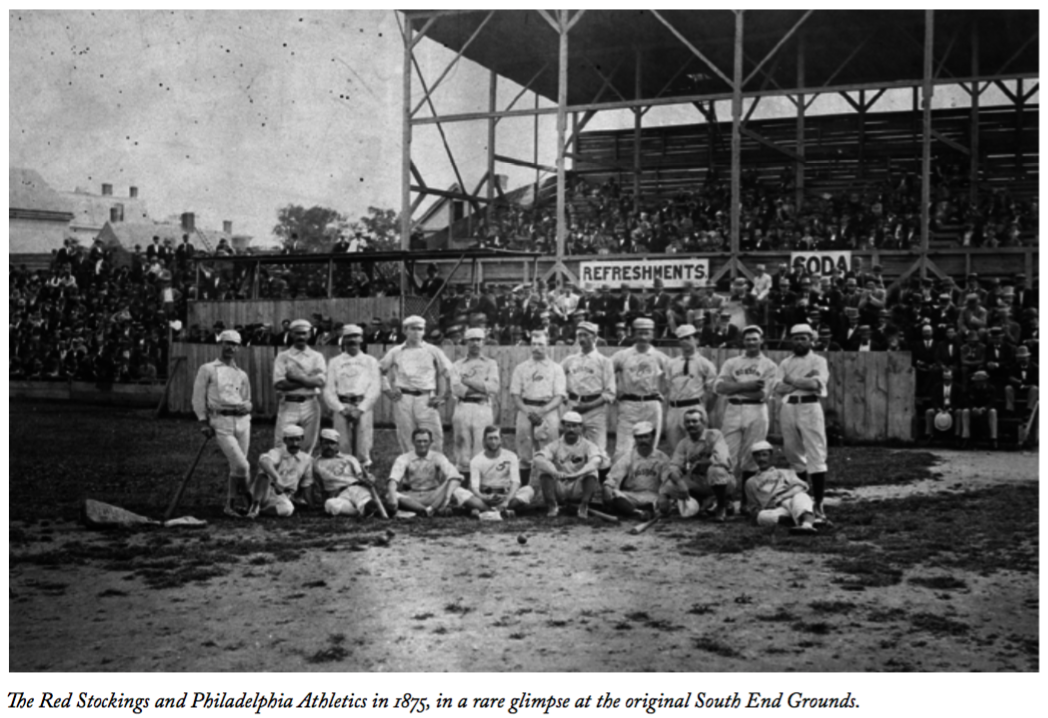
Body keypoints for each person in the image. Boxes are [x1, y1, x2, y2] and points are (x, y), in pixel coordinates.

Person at [191, 328, 252, 518]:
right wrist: (203, 421)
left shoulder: (241, 374)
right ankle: (252, 499)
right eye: (227, 343)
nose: (230, 348)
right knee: (242, 466)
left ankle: (230, 505)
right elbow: (197, 397)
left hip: (243, 422)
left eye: (234, 344)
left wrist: (248, 407)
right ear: (220, 344)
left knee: (236, 467)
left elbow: (247, 399)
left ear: (239, 348)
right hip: (221, 421)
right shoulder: (208, 369)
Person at [774, 324, 831, 520]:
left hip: (810, 407)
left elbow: (816, 384)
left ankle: (819, 503)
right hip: (789, 407)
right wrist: (799, 382)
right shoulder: (785, 363)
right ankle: (802, 501)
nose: (799, 342)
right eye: (796, 338)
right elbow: (779, 388)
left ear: (811, 340)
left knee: (816, 452)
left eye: (803, 338)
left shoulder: (818, 361)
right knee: (793, 452)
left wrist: (792, 380)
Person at [714, 325, 778, 499]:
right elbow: (719, 387)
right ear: (743, 341)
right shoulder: (731, 362)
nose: (751, 342)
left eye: (754, 339)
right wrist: (747, 385)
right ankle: (724, 499)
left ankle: (747, 499)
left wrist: (733, 387)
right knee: (726, 454)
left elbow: (761, 394)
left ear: (761, 341)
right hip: (733, 409)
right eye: (748, 339)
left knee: (753, 455)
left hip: (756, 410)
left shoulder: (769, 365)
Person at [379, 315, 453, 454]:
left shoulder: (433, 350)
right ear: (405, 330)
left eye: (420, 329)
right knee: (406, 437)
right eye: (413, 329)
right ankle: (411, 469)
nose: (417, 332)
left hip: (426, 399)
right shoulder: (396, 351)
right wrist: (387, 390)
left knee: (434, 436)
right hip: (403, 399)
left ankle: (433, 469)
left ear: (424, 332)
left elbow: (450, 373)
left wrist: (444, 396)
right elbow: (379, 370)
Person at [386, 428, 487, 517]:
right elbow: (393, 480)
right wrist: (392, 497)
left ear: (431, 442)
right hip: (413, 495)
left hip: (435, 495)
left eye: (425, 441)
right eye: (419, 441)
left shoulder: (437, 457)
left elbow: (455, 477)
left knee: (459, 490)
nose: (422, 444)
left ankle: (490, 510)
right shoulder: (404, 458)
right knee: (390, 495)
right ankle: (426, 511)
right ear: (413, 442)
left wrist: (446, 498)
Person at [509, 331, 566, 483]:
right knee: (524, 453)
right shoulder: (521, 368)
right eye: (534, 343)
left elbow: (559, 396)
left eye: (540, 344)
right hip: (526, 411)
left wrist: (542, 411)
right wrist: (528, 411)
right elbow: (515, 395)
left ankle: (549, 491)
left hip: (548, 411)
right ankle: (523, 489)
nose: (537, 347)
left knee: (549, 453)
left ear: (547, 345)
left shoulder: (556, 368)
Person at [323, 324, 381, 468]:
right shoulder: (335, 362)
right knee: (342, 443)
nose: (353, 340)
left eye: (356, 337)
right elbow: (329, 389)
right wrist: (341, 409)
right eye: (349, 337)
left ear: (361, 339)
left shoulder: (370, 361)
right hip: (342, 405)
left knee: (363, 443)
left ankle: (363, 472)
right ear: (343, 340)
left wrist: (360, 409)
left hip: (362, 406)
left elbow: (374, 388)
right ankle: (345, 472)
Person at [612, 317, 671, 460]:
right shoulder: (623, 355)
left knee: (649, 448)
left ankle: (645, 479)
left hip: (651, 404)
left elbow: (673, 378)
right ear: (633, 333)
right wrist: (615, 391)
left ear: (653, 334)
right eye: (640, 332)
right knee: (623, 450)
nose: (643, 337)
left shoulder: (660, 357)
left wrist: (662, 393)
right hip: (629, 404)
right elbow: (607, 374)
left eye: (647, 332)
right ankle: (621, 481)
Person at [664, 406, 735, 521]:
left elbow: (722, 458)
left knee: (716, 470)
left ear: (703, 422)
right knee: (669, 485)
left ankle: (721, 506)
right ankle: (703, 503)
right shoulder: (684, 443)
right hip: (698, 481)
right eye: (688, 422)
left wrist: (705, 463)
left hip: (722, 481)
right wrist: (680, 482)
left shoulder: (714, 435)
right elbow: (673, 466)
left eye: (695, 421)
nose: (691, 424)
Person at [531, 411, 604, 518]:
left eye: (574, 426)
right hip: (560, 482)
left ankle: (584, 505)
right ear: (563, 427)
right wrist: (555, 472)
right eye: (568, 426)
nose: (571, 430)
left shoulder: (588, 445)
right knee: (544, 471)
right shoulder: (555, 445)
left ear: (580, 427)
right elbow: (538, 459)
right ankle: (552, 505)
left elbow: (596, 461)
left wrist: (578, 474)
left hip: (578, 485)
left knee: (592, 471)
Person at [560, 321, 616, 455]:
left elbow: (609, 393)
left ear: (594, 337)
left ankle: (596, 476)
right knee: (571, 450)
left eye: (585, 335)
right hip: (573, 407)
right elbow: (556, 378)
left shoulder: (604, 362)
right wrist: (564, 398)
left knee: (598, 451)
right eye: (579, 335)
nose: (582, 339)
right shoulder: (570, 360)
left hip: (595, 410)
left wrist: (588, 406)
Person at [744, 441, 823, 535]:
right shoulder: (750, 482)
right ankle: (807, 520)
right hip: (775, 509)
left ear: (771, 456)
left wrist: (783, 497)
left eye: (764, 455)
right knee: (761, 516)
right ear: (754, 458)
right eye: (757, 456)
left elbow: (800, 487)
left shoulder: (784, 472)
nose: (761, 459)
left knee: (801, 496)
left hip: (791, 500)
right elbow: (754, 507)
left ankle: (807, 525)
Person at [273, 318, 326, 455]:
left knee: (308, 444)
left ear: (309, 334)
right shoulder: (283, 357)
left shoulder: (316, 357)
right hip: (289, 403)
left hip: (310, 403)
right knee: (282, 443)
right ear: (291, 334)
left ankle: (303, 474)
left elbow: (320, 382)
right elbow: (280, 383)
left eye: (304, 333)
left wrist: (297, 377)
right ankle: (283, 473)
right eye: (297, 333)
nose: (301, 337)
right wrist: (308, 379)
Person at [450, 327, 500, 474]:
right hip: (463, 407)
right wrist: (481, 387)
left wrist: (469, 382)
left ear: (483, 342)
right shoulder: (458, 365)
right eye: (472, 340)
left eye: (478, 340)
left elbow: (493, 388)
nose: (475, 343)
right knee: (462, 445)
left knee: (482, 445)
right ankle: (462, 484)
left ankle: (480, 482)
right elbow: (456, 389)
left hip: (482, 407)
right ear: (466, 342)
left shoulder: (490, 364)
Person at [664, 324, 718, 451]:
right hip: (674, 409)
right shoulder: (672, 363)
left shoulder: (705, 363)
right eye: (681, 339)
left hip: (694, 406)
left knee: (696, 448)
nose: (684, 342)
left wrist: (704, 410)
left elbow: (714, 392)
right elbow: (668, 387)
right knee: (675, 448)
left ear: (696, 340)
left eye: (688, 338)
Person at [603, 422, 671, 519]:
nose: (643, 440)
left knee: (664, 504)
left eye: (646, 436)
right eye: (639, 437)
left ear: (653, 437)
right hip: (632, 495)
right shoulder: (628, 457)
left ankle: (633, 511)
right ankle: (638, 512)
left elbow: (667, 481)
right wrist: (607, 487)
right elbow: (613, 478)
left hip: (653, 496)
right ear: (635, 439)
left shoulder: (662, 458)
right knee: (615, 494)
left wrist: (664, 495)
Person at [247, 424, 313, 519]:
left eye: (297, 439)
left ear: (302, 439)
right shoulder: (277, 452)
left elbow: (307, 485)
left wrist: (312, 505)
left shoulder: (307, 459)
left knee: (288, 509)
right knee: (264, 473)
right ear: (285, 440)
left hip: (282, 496)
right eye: (291, 440)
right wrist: (277, 478)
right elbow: (263, 460)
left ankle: (261, 511)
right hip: (263, 491)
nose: (294, 443)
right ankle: (254, 506)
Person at [312, 428, 380, 517]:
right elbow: (319, 486)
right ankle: (363, 511)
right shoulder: (316, 463)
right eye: (326, 443)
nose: (329, 446)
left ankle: (366, 506)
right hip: (339, 495)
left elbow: (362, 476)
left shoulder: (349, 458)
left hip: (355, 488)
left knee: (360, 497)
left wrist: (370, 479)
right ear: (320, 444)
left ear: (337, 445)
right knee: (330, 504)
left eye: (332, 443)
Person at [469, 426, 525, 514]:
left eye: (496, 438)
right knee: (458, 492)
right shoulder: (476, 460)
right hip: (486, 496)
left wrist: (507, 500)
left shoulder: (511, 456)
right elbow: (474, 487)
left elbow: (516, 482)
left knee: (529, 491)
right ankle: (495, 510)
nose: (493, 442)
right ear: (484, 440)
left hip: (505, 495)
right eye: (490, 438)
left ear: (501, 440)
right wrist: (484, 498)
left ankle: (485, 509)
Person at [963, 371, 998, 450]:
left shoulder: (991, 389)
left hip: (985, 410)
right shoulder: (971, 388)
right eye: (976, 382)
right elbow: (967, 401)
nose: (977, 383)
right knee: (965, 411)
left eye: (979, 381)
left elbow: (992, 402)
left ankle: (993, 439)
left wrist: (984, 408)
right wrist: (973, 408)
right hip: (974, 410)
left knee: (993, 412)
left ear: (984, 381)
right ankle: (965, 437)